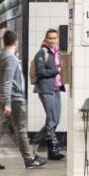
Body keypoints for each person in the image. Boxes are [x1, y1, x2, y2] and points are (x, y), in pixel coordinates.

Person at [0, 28, 40, 170]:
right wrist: (8, 101)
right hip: (14, 100)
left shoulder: (0, 57)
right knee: (21, 129)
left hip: (6, 98)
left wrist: (4, 93)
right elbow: (8, 81)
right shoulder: (12, 60)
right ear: (16, 42)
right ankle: (28, 159)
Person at [31, 28, 65, 161]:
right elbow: (40, 72)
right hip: (45, 89)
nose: (52, 41)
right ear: (46, 39)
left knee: (56, 120)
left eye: (54, 38)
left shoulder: (57, 52)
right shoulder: (42, 53)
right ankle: (53, 148)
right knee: (51, 120)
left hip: (56, 88)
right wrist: (56, 70)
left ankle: (36, 141)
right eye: (49, 38)